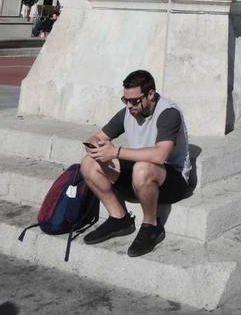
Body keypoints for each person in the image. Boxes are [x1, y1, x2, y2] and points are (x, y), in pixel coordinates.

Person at [80, 70, 192, 258]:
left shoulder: (168, 113)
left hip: (172, 179)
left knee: (143, 168)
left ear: (150, 94)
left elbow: (160, 155)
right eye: (126, 100)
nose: (129, 106)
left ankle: (151, 226)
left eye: (134, 101)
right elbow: (98, 135)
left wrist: (115, 152)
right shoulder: (128, 111)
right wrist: (95, 146)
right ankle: (119, 219)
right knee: (88, 164)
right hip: (140, 173)